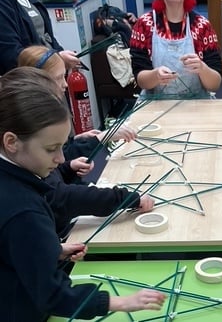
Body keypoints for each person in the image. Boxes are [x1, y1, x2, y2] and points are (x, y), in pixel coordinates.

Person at [0, 67, 166, 321]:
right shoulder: (24, 210)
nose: (60, 158)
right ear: (11, 142)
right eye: (51, 149)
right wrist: (120, 302)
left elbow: (11, 247)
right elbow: (52, 295)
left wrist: (50, 248)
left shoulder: (14, 181)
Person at [18, 45, 155, 240]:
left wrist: (67, 167)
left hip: (59, 230)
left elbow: (52, 176)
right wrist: (126, 198)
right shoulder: (33, 127)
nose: (65, 84)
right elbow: (59, 196)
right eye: (58, 78)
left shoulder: (43, 122)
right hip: (58, 231)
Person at [130, 0, 222, 99]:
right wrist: (155, 76)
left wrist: (202, 68)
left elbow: (215, 84)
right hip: (156, 106)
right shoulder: (144, 25)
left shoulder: (202, 26)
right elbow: (140, 80)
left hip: (196, 106)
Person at [0, 0, 80, 75]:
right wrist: (55, 59)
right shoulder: (3, 1)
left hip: (48, 74)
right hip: (29, 81)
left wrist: (60, 53)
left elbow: (47, 35)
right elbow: (12, 55)